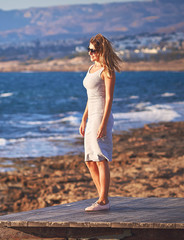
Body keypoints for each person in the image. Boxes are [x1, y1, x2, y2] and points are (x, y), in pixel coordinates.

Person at [79, 33, 122, 211]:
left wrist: (104, 124)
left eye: (93, 50)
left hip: (101, 116)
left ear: (101, 50)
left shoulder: (107, 70)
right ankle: (102, 198)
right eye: (88, 50)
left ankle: (103, 200)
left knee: (100, 157)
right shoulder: (91, 68)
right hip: (91, 117)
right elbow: (91, 97)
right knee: (89, 160)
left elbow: (109, 99)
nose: (90, 53)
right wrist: (83, 118)